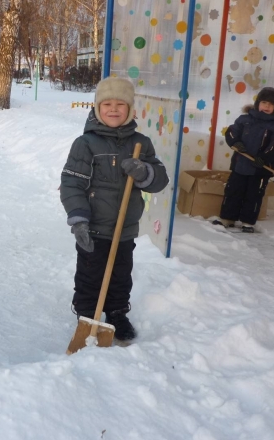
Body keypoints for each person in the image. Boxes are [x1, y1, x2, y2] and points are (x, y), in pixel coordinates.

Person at [59, 77, 169, 341]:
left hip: (125, 229)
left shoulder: (141, 143)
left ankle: (117, 312)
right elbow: (71, 183)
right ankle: (87, 316)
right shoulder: (85, 144)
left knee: (120, 275)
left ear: (131, 109)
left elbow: (160, 180)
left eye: (121, 104)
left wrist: (145, 171)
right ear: (97, 108)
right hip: (93, 228)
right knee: (90, 274)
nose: (114, 109)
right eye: (107, 103)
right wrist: (78, 220)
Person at [213, 87, 274, 233]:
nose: (266, 106)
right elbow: (231, 132)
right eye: (264, 102)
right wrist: (235, 142)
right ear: (257, 103)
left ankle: (248, 221)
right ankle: (227, 217)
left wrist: (264, 158)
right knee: (233, 191)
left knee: (253, 195)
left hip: (260, 169)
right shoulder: (244, 119)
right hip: (240, 165)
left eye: (271, 104)